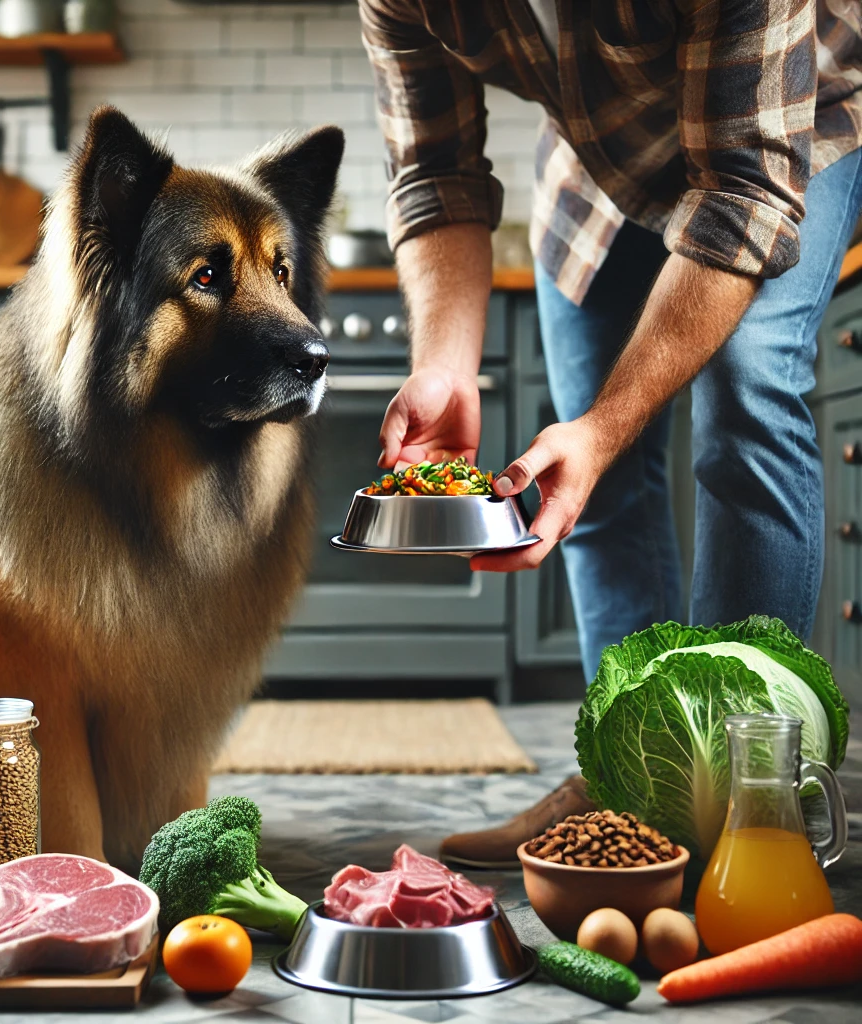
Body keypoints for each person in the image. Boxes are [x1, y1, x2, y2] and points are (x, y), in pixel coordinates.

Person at [360, 0, 862, 866]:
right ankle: (627, 777)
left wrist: (602, 428)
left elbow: (745, 188)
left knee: (747, 387)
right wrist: (444, 364)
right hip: (600, 163)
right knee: (583, 474)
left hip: (793, 121)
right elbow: (434, 170)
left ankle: (748, 798)